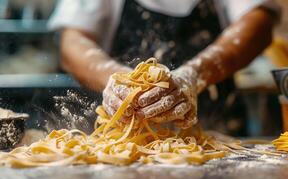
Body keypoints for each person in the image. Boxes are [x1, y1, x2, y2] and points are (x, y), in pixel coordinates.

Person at [49, 0, 281, 133]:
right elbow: (72, 42)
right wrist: (119, 81)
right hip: (126, 142)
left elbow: (258, 24)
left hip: (216, 134)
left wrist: (193, 75)